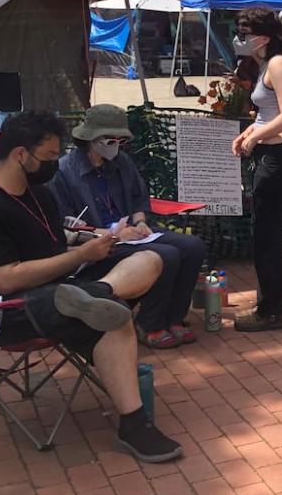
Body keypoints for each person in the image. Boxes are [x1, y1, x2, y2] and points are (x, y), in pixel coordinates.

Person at [0, 111, 183, 462]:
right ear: (20, 155)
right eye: (47, 158)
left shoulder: (39, 194)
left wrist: (88, 243)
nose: (54, 165)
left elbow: (50, 243)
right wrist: (79, 257)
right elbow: (6, 279)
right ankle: (134, 426)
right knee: (115, 319)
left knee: (151, 258)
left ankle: (98, 293)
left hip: (56, 290)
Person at [49, 105, 207, 349]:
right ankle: (149, 323)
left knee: (193, 246)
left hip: (132, 234)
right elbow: (66, 227)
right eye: (109, 139)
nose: (115, 144)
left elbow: (138, 199)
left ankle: (174, 318)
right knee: (167, 254)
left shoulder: (122, 162)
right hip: (97, 244)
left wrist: (141, 221)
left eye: (120, 140)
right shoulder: (64, 172)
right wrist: (112, 234)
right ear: (90, 138)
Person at [230, 7, 282, 332]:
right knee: (267, 236)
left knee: (268, 239)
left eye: (244, 33)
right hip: (273, 155)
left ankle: (272, 311)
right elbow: (268, 113)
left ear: (262, 36)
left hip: (280, 159)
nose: (239, 40)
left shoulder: (277, 63)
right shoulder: (267, 64)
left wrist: (255, 137)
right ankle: (272, 304)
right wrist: (248, 132)